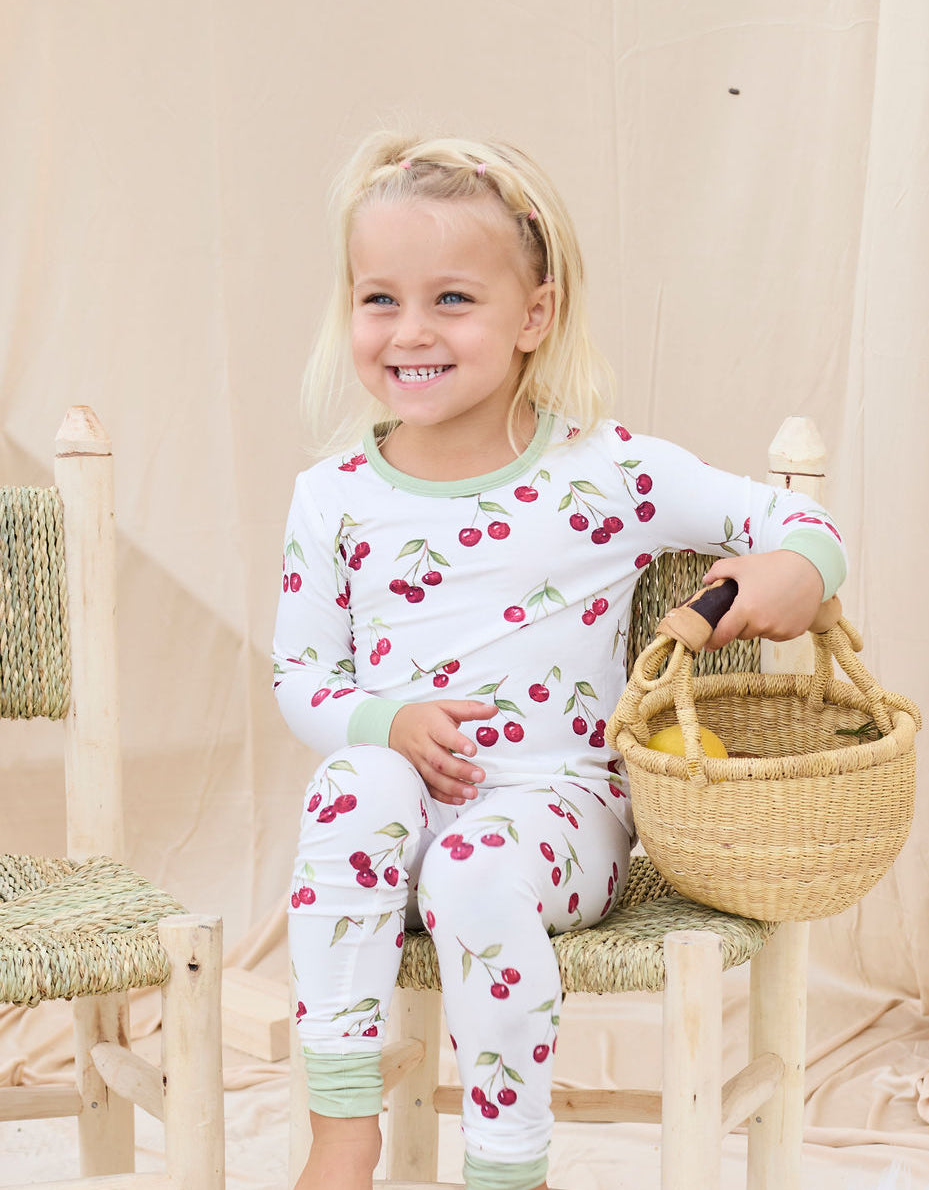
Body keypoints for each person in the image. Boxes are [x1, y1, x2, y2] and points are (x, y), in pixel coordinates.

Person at [273, 132, 847, 1190]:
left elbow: (799, 523)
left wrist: (796, 572)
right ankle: (342, 1131)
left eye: (452, 299)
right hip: (399, 820)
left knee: (475, 868)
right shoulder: (334, 495)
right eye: (378, 298)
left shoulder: (604, 471)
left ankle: (509, 1169)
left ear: (533, 316)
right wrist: (386, 722)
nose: (410, 330)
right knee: (349, 787)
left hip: (555, 816)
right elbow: (300, 678)